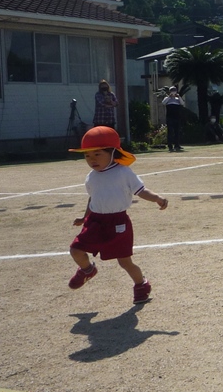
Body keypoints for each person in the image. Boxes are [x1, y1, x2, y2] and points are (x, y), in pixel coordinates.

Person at [67, 126, 169, 305]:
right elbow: (93, 198)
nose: (92, 160)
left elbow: (141, 190)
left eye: (97, 154)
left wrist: (157, 199)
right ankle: (87, 270)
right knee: (76, 249)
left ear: (112, 153)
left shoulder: (123, 172)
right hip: (95, 221)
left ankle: (141, 284)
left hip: (118, 222)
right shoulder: (91, 177)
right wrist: (85, 217)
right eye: (87, 156)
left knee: (125, 262)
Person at [162, 86, 185, 152]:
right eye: (172, 91)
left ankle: (177, 145)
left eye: (174, 91)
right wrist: (169, 96)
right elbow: (163, 103)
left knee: (177, 132)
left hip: (177, 117)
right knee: (170, 132)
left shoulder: (178, 99)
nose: (173, 92)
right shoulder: (167, 98)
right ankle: (170, 146)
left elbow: (182, 103)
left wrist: (179, 96)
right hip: (170, 117)